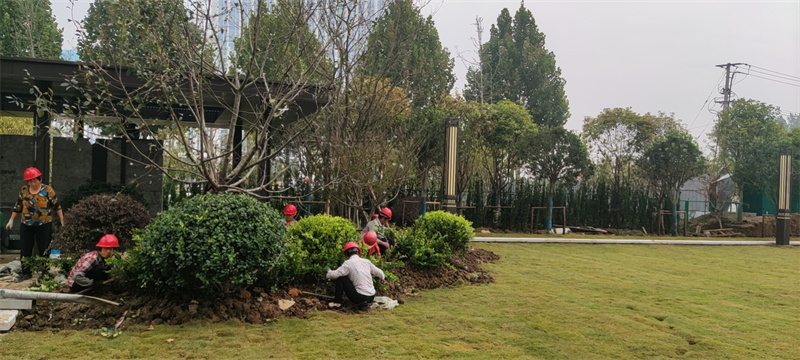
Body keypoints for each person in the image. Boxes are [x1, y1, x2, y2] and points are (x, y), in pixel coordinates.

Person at [5, 167, 64, 281]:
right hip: (26, 224)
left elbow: (57, 206)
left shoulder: (48, 190)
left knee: (44, 248)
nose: (33, 183)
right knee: (25, 248)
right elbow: (18, 206)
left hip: (44, 224)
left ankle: (44, 271)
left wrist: (62, 220)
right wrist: (11, 220)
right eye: (30, 181)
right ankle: (26, 272)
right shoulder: (24, 190)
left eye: (35, 180)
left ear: (39, 179)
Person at [326, 241, 385, 311]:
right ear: (358, 252)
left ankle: (337, 303)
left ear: (346, 254)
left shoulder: (348, 263)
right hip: (371, 297)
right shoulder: (366, 262)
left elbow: (334, 275)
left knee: (341, 278)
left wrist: (328, 271)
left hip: (359, 297)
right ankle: (363, 305)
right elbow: (381, 274)